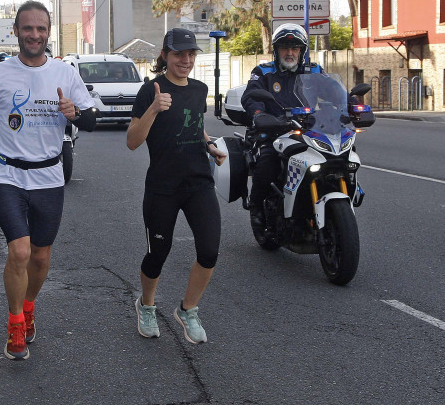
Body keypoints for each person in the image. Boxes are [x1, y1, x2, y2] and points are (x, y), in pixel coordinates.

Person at [0, 0, 97, 361]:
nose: (34, 35)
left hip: (49, 175)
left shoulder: (65, 73)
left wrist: (74, 113)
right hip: (6, 174)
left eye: (41, 29)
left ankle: (29, 307)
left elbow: (91, 120)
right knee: (19, 250)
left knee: (42, 257)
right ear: (15, 31)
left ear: (48, 33)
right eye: (27, 28)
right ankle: (15, 322)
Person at [126, 28, 227, 344]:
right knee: (158, 252)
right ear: (165, 56)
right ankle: (147, 304)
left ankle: (188, 309)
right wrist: (154, 108)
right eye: (178, 54)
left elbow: (195, 125)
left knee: (209, 250)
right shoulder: (150, 91)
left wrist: (209, 145)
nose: (185, 60)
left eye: (190, 54)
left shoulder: (200, 89)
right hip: (163, 186)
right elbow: (132, 141)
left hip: (198, 181)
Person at [241, 23, 323, 230]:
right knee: (267, 163)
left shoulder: (314, 71)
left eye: (295, 48)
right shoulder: (264, 71)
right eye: (285, 48)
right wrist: (259, 114)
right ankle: (257, 207)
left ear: (302, 51)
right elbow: (251, 96)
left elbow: (332, 92)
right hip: (273, 132)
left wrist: (350, 106)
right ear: (276, 50)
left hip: (309, 131)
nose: (290, 52)